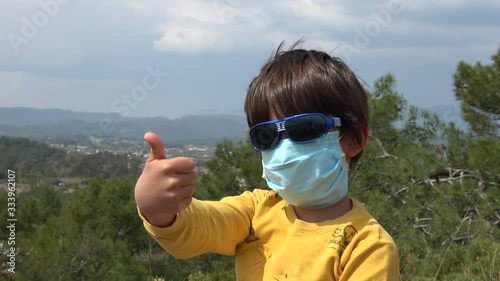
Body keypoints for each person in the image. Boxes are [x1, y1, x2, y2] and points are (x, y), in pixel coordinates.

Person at [134, 41, 401, 280]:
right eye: (266, 135)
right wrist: (158, 209)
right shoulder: (255, 211)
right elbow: (195, 231)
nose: (284, 146)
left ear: (354, 138)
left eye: (306, 128)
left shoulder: (367, 247)